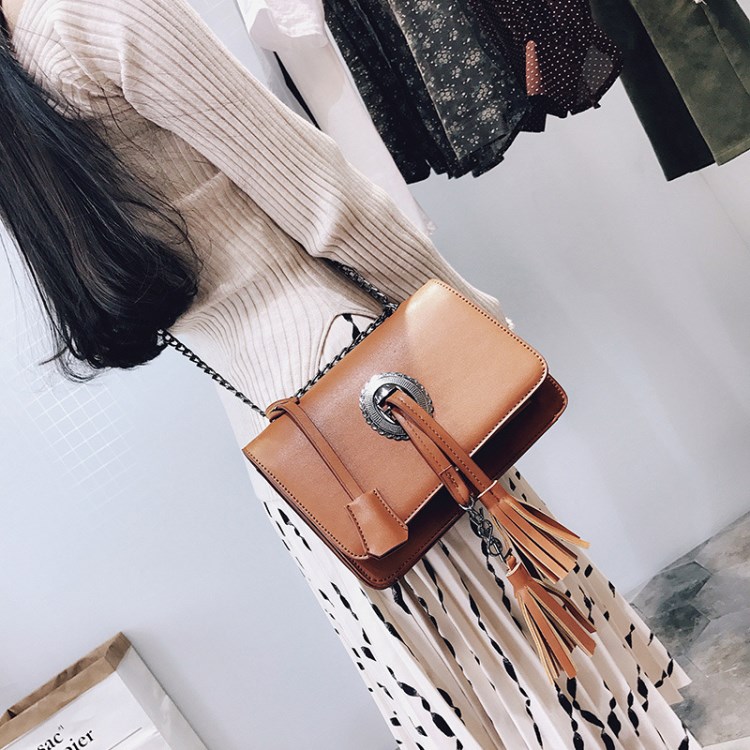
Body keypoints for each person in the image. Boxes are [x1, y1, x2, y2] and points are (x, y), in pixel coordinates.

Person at [0, 0, 699, 746]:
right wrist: (470, 316)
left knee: (486, 682)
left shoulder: (19, 61)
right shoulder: (91, 13)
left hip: (279, 435)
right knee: (539, 658)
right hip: (370, 390)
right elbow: (319, 198)